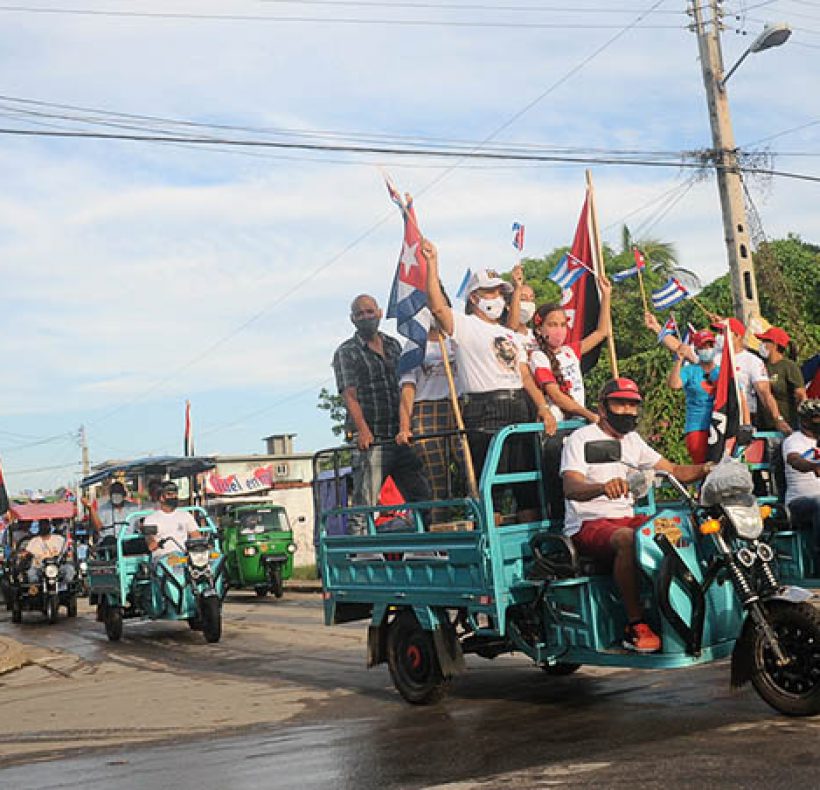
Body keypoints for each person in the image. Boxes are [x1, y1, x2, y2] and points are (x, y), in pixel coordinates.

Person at [561, 378, 714, 653]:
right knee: (628, 539)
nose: (628, 411)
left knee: (682, 527)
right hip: (588, 523)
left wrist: (709, 468)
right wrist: (601, 487)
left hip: (625, 517)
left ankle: (689, 605)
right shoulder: (581, 439)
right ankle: (636, 624)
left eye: (632, 405)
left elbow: (674, 470)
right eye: (620, 403)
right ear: (603, 407)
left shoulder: (633, 441)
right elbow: (570, 486)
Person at [423, 239, 557, 523]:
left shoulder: (510, 334)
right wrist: (432, 264)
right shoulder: (466, 326)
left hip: (518, 405)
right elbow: (437, 308)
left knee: (527, 486)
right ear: (474, 297)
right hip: (484, 408)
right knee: (491, 485)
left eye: (499, 291)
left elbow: (524, 375)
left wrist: (543, 408)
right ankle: (494, 547)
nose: (495, 296)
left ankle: (531, 550)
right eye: (489, 291)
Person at [332, 294, 431, 534]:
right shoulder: (347, 351)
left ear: (379, 312)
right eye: (360, 314)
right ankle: (360, 557)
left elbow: (406, 384)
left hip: (399, 434)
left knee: (423, 497)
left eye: (369, 311)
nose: (366, 317)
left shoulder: (393, 344)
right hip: (373, 438)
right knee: (364, 503)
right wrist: (363, 431)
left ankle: (424, 546)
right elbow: (350, 395)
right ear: (353, 320)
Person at [396, 324, 463, 524]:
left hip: (458, 406)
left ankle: (480, 521)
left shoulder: (457, 338)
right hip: (426, 407)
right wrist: (404, 427)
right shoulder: (414, 344)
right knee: (436, 480)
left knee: (471, 469)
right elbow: (408, 388)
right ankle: (439, 529)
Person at [715, 317, 786, 432]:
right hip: (717, 417)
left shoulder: (752, 361)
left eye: (722, 332)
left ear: (737, 336)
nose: (718, 337)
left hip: (745, 418)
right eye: (718, 333)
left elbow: (765, 393)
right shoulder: (715, 358)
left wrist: (777, 418)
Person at [669, 329, 720, 464]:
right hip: (697, 426)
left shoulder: (722, 371)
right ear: (696, 350)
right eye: (703, 346)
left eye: (710, 345)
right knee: (701, 467)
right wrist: (679, 360)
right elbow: (674, 384)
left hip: (719, 423)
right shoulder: (690, 371)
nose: (707, 349)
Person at [782, 400, 820, 570]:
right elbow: (794, 460)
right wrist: (813, 466)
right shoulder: (794, 440)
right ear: (805, 421)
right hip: (799, 502)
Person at [755, 326, 806, 431]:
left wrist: (805, 423)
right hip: (762, 425)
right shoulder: (760, 365)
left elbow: (801, 395)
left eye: (765, 341)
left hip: (786, 426)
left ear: (775, 345)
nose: (761, 344)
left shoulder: (789, 366)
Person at [142, 481, 201, 559]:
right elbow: (150, 543)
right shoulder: (151, 519)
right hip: (162, 559)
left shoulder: (186, 515)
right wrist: (156, 544)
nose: (174, 497)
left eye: (175, 494)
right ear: (161, 498)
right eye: (169, 494)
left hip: (183, 557)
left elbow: (196, 536)